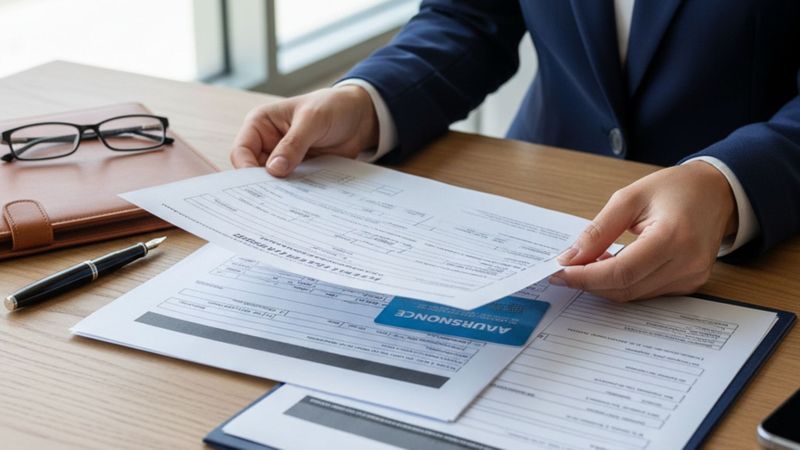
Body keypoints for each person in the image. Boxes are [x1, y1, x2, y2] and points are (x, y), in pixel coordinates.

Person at [230, 1, 800, 302]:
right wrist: (368, 100)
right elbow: (471, 16)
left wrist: (727, 185)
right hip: (533, 195)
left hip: (757, 248)